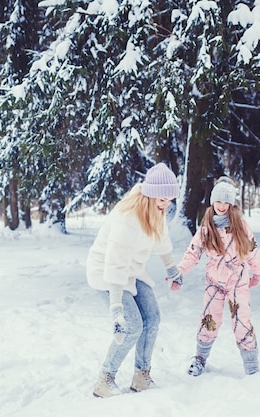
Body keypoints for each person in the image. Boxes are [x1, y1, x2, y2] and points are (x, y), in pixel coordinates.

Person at [86, 162, 183, 398]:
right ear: (150, 195)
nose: (166, 204)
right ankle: (105, 379)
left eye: (170, 199)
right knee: (132, 326)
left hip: (132, 271)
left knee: (153, 318)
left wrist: (172, 270)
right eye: (163, 199)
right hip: (106, 273)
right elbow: (115, 262)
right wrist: (116, 307)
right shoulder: (127, 217)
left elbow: (161, 241)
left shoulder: (156, 210)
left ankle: (141, 376)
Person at [168, 177, 260, 376]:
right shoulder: (206, 227)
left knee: (242, 321)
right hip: (214, 281)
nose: (221, 206)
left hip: (237, 280)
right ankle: (200, 358)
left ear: (231, 203)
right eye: (218, 201)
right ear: (212, 202)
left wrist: (257, 273)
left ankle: (252, 365)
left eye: (226, 202)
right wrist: (179, 271)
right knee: (209, 320)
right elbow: (193, 253)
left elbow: (252, 250)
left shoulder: (240, 226)